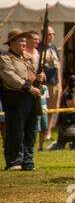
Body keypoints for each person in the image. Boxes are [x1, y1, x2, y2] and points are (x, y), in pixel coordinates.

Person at [0, 28, 45, 171]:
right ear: (12, 42)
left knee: (31, 131)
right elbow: (10, 77)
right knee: (16, 130)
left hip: (31, 98)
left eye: (25, 40)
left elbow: (34, 73)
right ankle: (14, 161)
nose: (24, 43)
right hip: (16, 98)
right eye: (21, 40)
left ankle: (28, 161)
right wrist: (28, 87)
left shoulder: (28, 57)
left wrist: (40, 77)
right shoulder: (5, 58)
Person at [47, 75, 75, 150]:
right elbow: (72, 106)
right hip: (68, 126)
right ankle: (54, 145)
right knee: (60, 147)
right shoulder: (67, 95)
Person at [40, 26, 62, 141]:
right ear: (43, 35)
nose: (51, 36)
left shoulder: (53, 48)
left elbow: (58, 67)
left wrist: (60, 84)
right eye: (49, 34)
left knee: (51, 110)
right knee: (43, 109)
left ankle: (48, 132)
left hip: (54, 83)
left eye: (53, 34)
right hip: (44, 84)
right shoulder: (38, 48)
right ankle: (41, 133)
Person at [36, 84, 49, 151]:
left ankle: (40, 146)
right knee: (36, 129)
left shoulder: (45, 87)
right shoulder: (34, 87)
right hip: (36, 110)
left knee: (44, 128)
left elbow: (45, 100)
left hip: (44, 109)